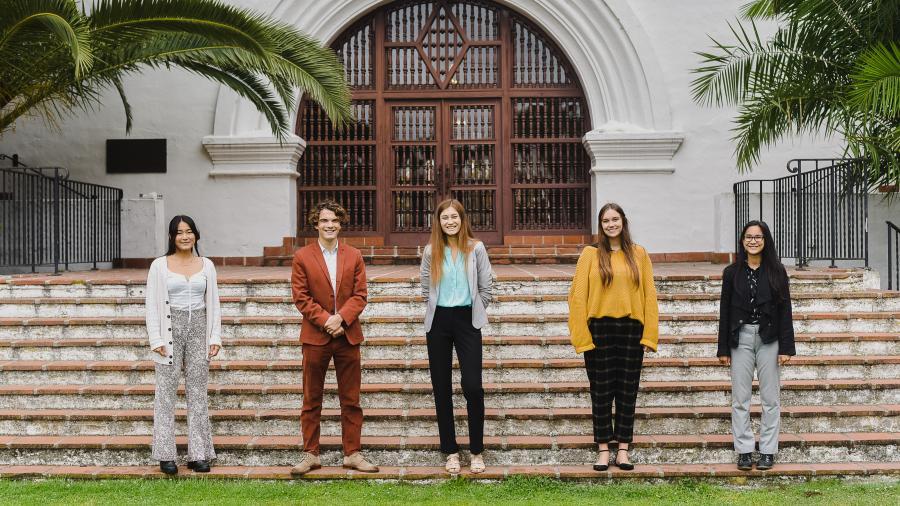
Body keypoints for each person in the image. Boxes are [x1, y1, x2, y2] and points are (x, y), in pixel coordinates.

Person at [567, 203, 659, 472]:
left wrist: (650, 335)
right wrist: (581, 336)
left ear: (623, 221)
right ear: (601, 225)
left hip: (631, 330)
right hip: (599, 330)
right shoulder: (590, 255)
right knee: (602, 392)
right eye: (606, 220)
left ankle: (623, 450)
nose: (611, 224)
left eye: (615, 219)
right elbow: (577, 297)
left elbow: (649, 296)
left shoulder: (639, 254)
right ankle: (603, 449)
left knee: (627, 391)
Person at [290, 200, 378, 475]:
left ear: (341, 224)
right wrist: (327, 320)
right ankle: (310, 454)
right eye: (325, 221)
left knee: (350, 399)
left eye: (335, 221)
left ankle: (352, 453)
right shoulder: (302, 257)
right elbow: (301, 297)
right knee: (311, 398)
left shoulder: (354, 255)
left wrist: (342, 319)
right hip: (315, 337)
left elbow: (360, 294)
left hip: (347, 336)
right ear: (316, 223)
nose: (330, 225)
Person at [420, 199, 493, 475]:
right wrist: (434, 308)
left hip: (467, 320)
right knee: (441, 388)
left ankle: (476, 451)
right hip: (438, 321)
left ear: (462, 219)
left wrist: (476, 308)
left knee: (473, 385)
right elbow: (426, 286)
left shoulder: (476, 249)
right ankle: (450, 451)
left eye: (454, 217)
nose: (449, 221)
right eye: (444, 218)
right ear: (438, 222)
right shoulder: (431, 251)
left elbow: (486, 287)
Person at [145, 215, 222, 475]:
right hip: (169, 330)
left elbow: (214, 303)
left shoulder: (207, 265)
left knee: (198, 394)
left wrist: (214, 337)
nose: (185, 236)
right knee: (165, 395)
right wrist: (156, 339)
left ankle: (198, 454)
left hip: (199, 328)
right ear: (172, 237)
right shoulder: (159, 266)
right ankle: (166, 455)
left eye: (189, 231)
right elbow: (151, 305)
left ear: (196, 235)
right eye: (179, 233)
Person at [718, 220, 795, 471]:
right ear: (742, 241)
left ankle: (768, 451)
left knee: (770, 398)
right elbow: (725, 311)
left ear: (765, 241)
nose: (753, 241)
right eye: (748, 237)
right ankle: (744, 450)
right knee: (740, 399)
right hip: (740, 338)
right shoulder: (731, 273)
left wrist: (786, 347)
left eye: (758, 237)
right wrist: (723, 348)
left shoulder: (776, 271)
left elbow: (785, 310)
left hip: (769, 338)